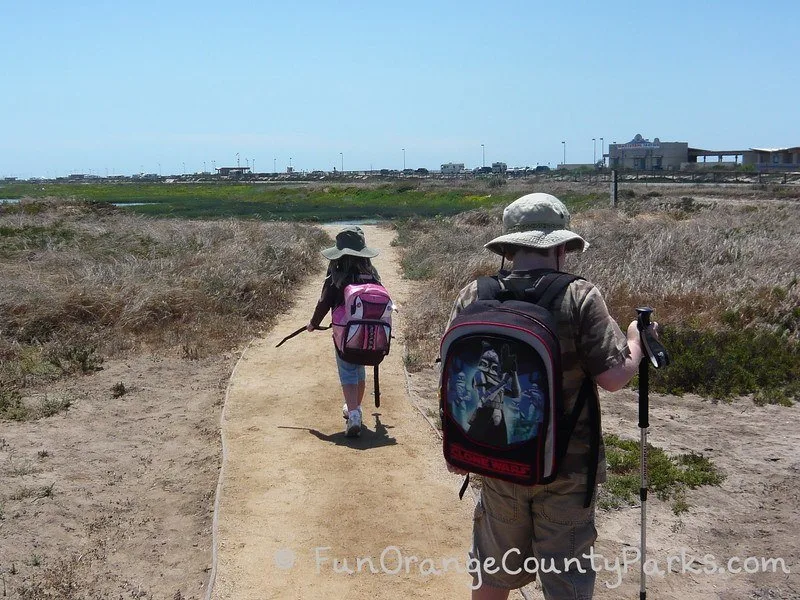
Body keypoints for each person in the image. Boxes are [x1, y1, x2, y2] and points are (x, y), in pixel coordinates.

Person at [444, 192, 656, 599]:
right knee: (565, 578)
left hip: (496, 457)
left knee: (493, 570)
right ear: (561, 247)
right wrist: (636, 344)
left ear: (509, 246)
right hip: (568, 468)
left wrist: (459, 445)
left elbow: (454, 375)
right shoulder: (580, 295)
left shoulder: (476, 293)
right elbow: (612, 377)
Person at [308, 226, 381, 438]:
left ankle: (354, 414)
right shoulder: (372, 274)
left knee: (348, 370)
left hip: (345, 335)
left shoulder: (336, 275)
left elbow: (324, 303)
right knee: (359, 369)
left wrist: (313, 323)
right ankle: (354, 407)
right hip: (369, 336)